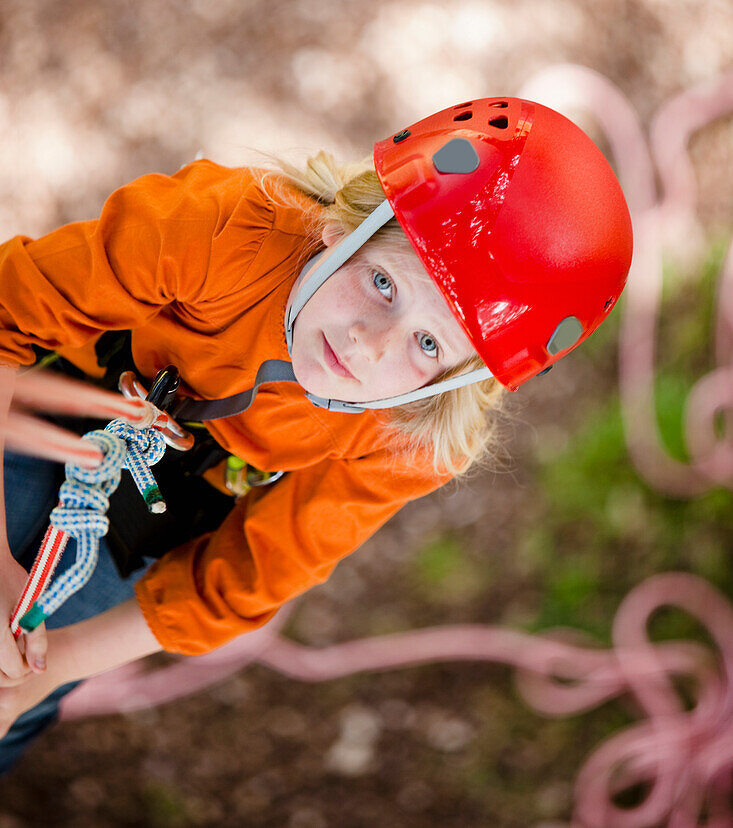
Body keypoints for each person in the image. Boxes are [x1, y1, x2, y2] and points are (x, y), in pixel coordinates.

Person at [0, 95, 633, 772]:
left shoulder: (407, 438)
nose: (366, 345)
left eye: (425, 343)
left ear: (457, 380)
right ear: (344, 230)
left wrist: (44, 673)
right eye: (384, 283)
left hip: (152, 516)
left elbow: (240, 581)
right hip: (37, 401)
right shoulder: (225, 228)